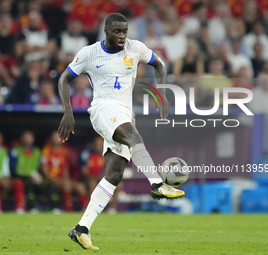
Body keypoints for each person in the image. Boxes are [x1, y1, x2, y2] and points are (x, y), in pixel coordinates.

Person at [58, 13, 184, 250]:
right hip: (103, 108)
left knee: (115, 173)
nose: (122, 36)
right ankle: (157, 184)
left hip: (126, 113)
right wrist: (68, 111)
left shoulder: (135, 48)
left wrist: (163, 92)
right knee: (135, 137)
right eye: (117, 31)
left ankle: (81, 228)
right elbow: (64, 78)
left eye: (125, 31)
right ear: (106, 30)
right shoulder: (89, 53)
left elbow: (159, 64)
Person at [41, 131, 88, 213]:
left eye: (59, 136)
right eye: (55, 136)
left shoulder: (63, 152)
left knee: (80, 187)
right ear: (51, 139)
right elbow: (45, 172)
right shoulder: (46, 151)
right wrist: (59, 181)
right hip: (50, 181)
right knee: (67, 186)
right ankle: (68, 210)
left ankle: (86, 209)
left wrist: (66, 179)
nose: (57, 138)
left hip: (62, 180)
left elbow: (65, 170)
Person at [80, 136, 121, 214]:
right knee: (92, 183)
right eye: (97, 144)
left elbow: (109, 168)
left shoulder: (106, 154)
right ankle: (92, 208)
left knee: (118, 185)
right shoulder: (86, 154)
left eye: (100, 144)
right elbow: (84, 171)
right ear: (93, 144)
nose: (98, 146)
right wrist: (94, 177)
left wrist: (104, 176)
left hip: (103, 177)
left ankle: (112, 209)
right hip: (90, 178)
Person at [10, 131, 42, 212]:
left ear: (33, 139)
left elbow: (40, 167)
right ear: (21, 139)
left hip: (34, 176)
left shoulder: (37, 152)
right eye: (25, 137)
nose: (27, 140)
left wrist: (37, 175)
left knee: (44, 184)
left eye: (29, 137)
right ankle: (31, 207)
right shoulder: (15, 151)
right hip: (19, 177)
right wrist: (27, 176)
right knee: (27, 184)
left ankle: (48, 207)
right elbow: (12, 168)